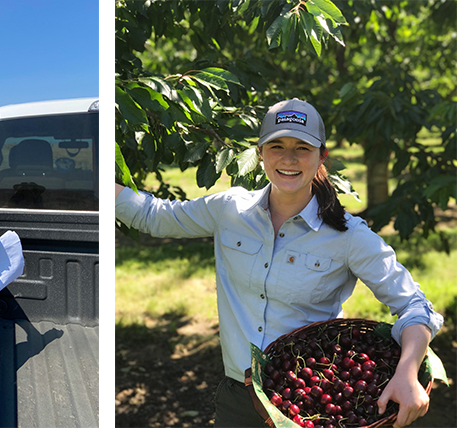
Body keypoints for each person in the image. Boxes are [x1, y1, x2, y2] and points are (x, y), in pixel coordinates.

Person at [115, 99, 443, 428]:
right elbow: (153, 216)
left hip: (313, 404)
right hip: (240, 398)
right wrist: (90, 182)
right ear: (260, 152)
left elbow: (415, 307)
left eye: (302, 147)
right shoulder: (230, 210)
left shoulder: (348, 236)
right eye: (277, 146)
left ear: (321, 156)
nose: (288, 158)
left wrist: (407, 373)